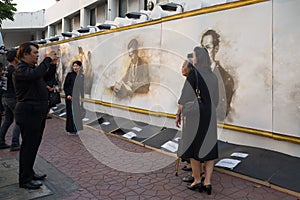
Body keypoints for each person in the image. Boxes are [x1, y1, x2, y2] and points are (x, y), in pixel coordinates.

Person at [13, 42, 57, 189]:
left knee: (34, 145)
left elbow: (45, 75)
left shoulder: (31, 69)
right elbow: (36, 74)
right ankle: (24, 179)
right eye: (35, 53)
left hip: (37, 113)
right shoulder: (20, 70)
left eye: (38, 53)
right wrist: (47, 60)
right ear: (25, 54)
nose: (37, 55)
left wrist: (53, 64)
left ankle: (29, 172)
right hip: (28, 113)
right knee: (28, 147)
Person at [176, 47, 219, 195]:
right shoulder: (213, 77)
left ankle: (197, 181)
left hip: (195, 117)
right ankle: (207, 182)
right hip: (210, 117)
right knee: (209, 148)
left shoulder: (194, 74)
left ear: (198, 58)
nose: (192, 59)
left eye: (193, 56)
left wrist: (179, 113)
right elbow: (217, 101)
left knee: (194, 150)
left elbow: (185, 96)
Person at [201, 29, 235, 120]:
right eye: (202, 48)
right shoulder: (197, 73)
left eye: (208, 47)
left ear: (216, 49)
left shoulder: (226, 78)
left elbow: (221, 114)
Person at [0, 49, 21, 151]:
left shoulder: (6, 69)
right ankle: (15, 142)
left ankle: (1, 140)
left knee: (8, 120)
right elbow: (16, 85)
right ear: (15, 58)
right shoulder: (13, 70)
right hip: (12, 97)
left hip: (5, 97)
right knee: (19, 120)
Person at [63, 60, 84, 135]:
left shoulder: (81, 76)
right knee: (71, 113)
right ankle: (70, 129)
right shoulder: (70, 75)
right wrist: (68, 94)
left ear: (80, 67)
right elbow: (65, 86)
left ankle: (76, 129)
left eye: (77, 66)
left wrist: (82, 97)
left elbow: (82, 88)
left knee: (77, 113)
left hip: (77, 97)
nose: (75, 67)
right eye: (74, 66)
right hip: (70, 97)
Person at [44, 50, 59, 119]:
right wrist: (47, 86)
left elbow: (53, 77)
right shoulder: (47, 67)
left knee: (51, 101)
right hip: (46, 86)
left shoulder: (54, 66)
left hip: (51, 85)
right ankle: (45, 114)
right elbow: (42, 78)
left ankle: (46, 113)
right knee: (47, 100)